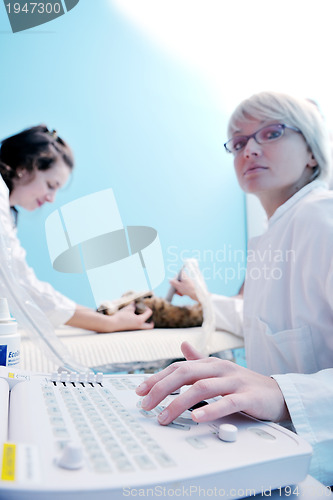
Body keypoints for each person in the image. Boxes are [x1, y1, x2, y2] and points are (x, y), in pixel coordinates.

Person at [136, 91, 333, 485]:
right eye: (239, 142)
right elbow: (257, 318)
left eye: (271, 133)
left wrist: (281, 393)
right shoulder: (272, 235)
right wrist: (201, 298)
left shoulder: (321, 217)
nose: (250, 150)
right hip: (281, 453)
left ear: (312, 152)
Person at [0, 125, 153, 333]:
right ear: (24, 167)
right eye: (51, 185)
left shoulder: (6, 216)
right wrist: (109, 323)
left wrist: (99, 316)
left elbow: (26, 284)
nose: (51, 198)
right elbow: (23, 289)